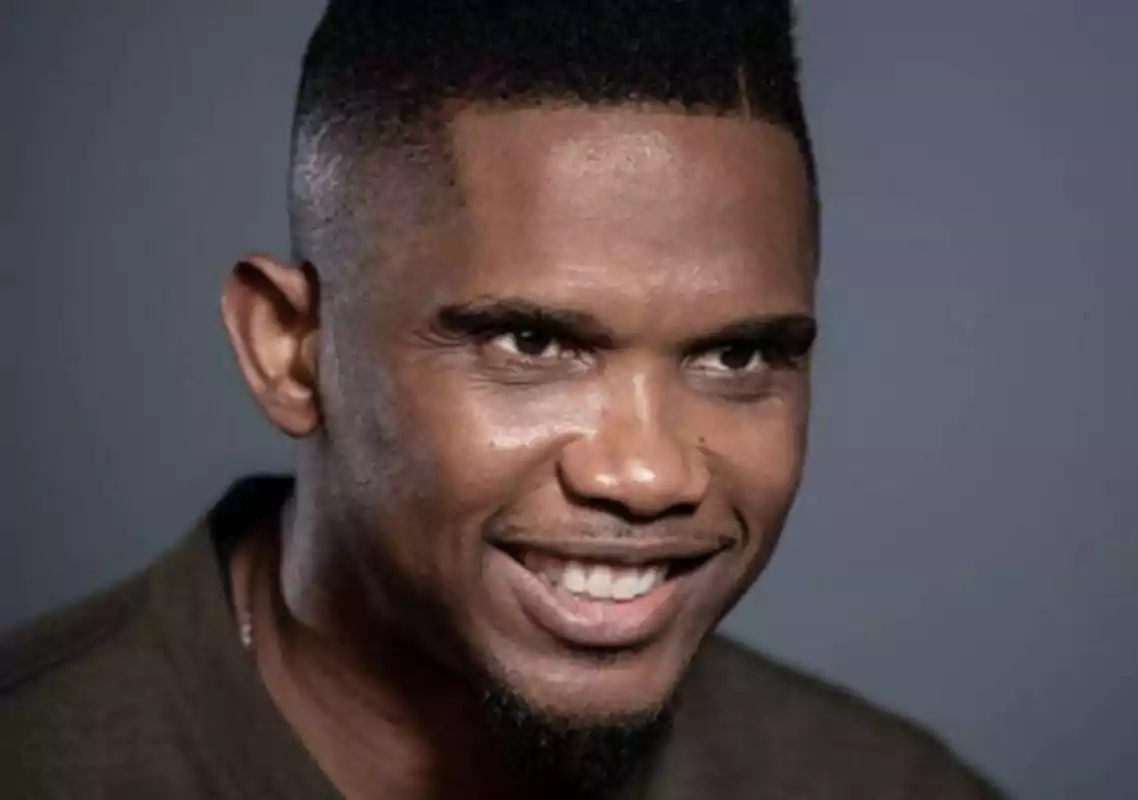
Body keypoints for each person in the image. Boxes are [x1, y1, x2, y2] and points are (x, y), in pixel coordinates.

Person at [1, 2, 1002, 798]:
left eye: (736, 355)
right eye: (533, 342)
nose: (650, 471)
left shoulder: (887, 784)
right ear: (291, 350)